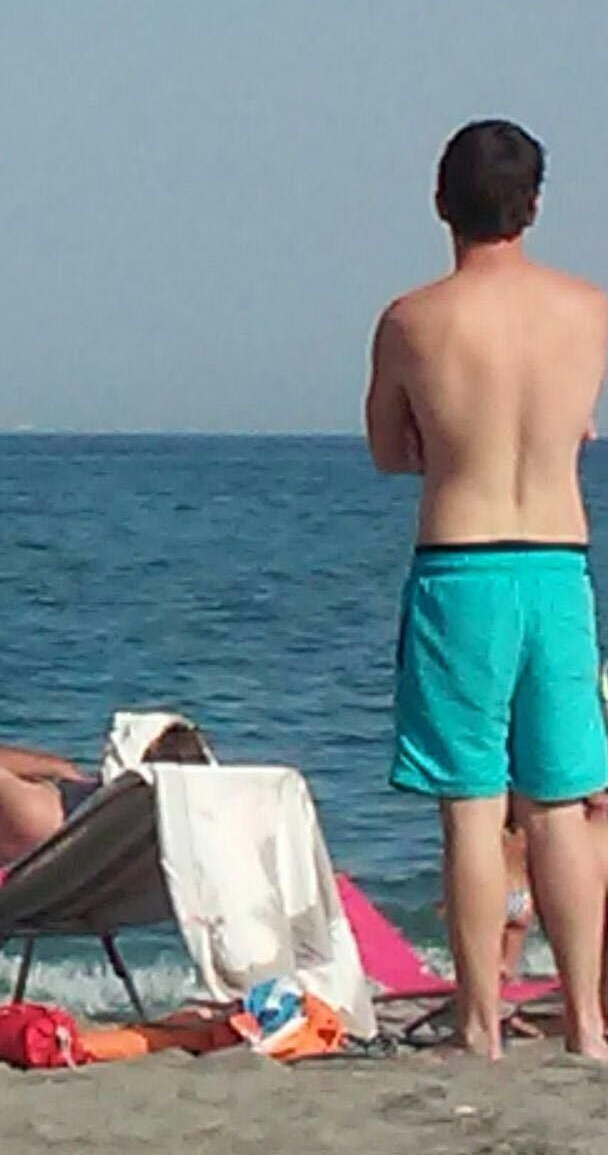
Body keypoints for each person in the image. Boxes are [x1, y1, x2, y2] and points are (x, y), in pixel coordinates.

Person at [366, 118, 608, 1060]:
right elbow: (577, 427)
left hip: (462, 563)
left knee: (471, 807)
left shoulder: (414, 319)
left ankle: (482, 1021)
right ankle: (587, 1022)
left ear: (441, 204)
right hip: (556, 561)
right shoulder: (587, 311)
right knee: (563, 801)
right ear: (535, 205)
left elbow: (391, 450)